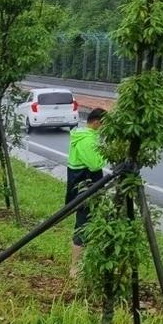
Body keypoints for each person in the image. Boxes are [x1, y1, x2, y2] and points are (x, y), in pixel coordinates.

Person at [66, 107, 106, 278]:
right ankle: (74, 269)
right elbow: (95, 165)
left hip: (88, 186)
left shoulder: (89, 137)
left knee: (91, 223)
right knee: (82, 225)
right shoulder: (86, 140)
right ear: (96, 122)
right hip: (84, 187)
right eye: (105, 125)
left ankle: (85, 264)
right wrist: (108, 153)